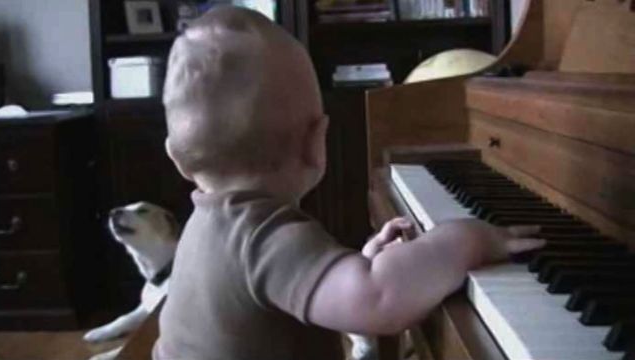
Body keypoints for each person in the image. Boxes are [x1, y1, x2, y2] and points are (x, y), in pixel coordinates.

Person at [154, 6, 544, 360]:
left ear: (177, 158)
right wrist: (466, 241)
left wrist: (354, 268)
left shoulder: (207, 224)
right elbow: (379, 300)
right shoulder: (261, 233)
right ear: (316, 143)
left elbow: (324, 289)